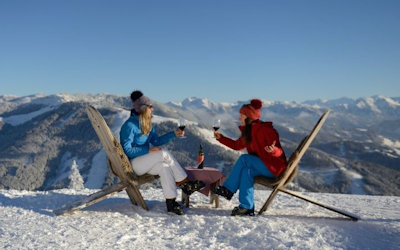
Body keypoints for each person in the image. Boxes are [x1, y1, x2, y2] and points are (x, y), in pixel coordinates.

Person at [120, 90, 205, 215]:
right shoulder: (129, 125)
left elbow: (156, 141)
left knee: (164, 167)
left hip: (145, 161)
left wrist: (173, 134)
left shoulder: (147, 124)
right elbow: (127, 150)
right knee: (163, 154)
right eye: (150, 107)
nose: (153, 109)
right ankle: (185, 184)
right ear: (144, 108)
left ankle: (171, 203)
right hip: (133, 164)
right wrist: (147, 150)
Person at [212, 99, 287, 216]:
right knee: (246, 171)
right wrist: (220, 138)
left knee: (244, 159)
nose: (239, 118)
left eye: (241, 115)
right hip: (262, 165)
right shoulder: (248, 131)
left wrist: (274, 150)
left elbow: (280, 152)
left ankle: (228, 189)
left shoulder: (266, 130)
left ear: (248, 117)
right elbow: (237, 146)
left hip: (274, 167)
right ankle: (246, 207)